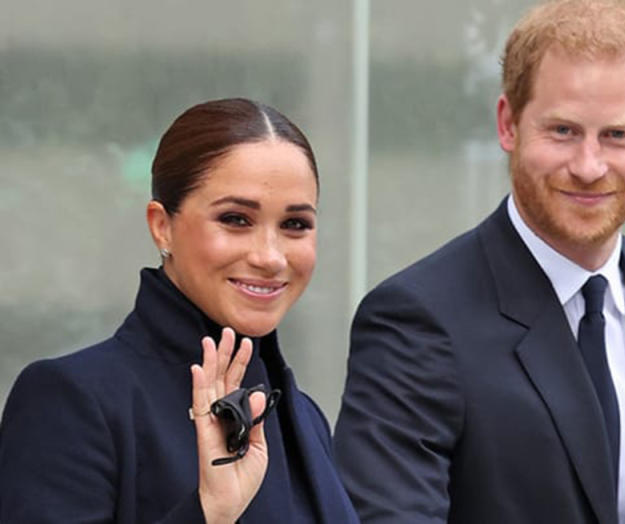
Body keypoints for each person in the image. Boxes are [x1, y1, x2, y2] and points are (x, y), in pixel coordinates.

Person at [333, 1, 625, 523]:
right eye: (563, 131)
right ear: (508, 124)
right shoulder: (415, 321)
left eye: (616, 135)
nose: (589, 166)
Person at [0, 98, 358, 523]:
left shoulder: (302, 417)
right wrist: (210, 513)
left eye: (295, 225)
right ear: (161, 226)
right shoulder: (73, 401)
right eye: (236, 219)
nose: (271, 256)